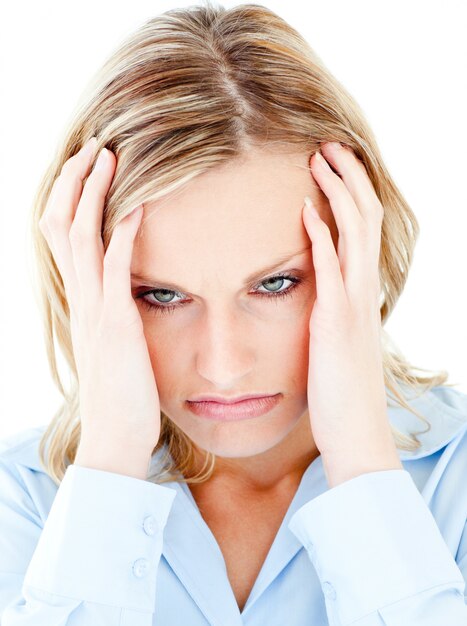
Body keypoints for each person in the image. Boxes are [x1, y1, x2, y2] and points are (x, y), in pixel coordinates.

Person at [1, 2, 466, 624]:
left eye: (275, 283)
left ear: (362, 247)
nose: (223, 366)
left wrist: (362, 470)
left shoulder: (453, 478)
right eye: (162, 296)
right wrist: (109, 464)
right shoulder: (27, 499)